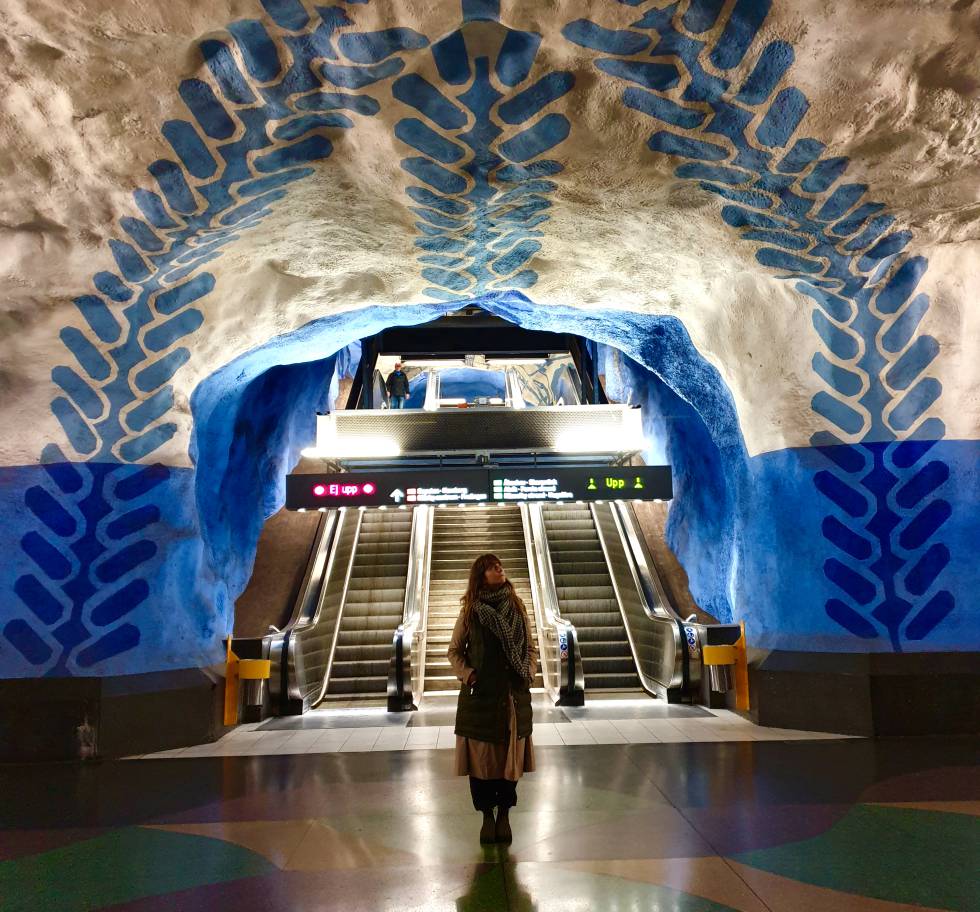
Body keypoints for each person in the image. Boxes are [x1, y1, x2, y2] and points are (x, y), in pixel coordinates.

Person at [448, 553, 537, 844]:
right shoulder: (472, 611)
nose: (500, 568)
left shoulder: (517, 606)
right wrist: (470, 675)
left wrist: (530, 672)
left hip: (513, 697)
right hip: (482, 699)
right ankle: (487, 814)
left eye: (500, 565)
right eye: (491, 567)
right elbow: (454, 651)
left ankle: (505, 815)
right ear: (481, 576)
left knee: (509, 762)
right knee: (483, 764)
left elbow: (530, 648)